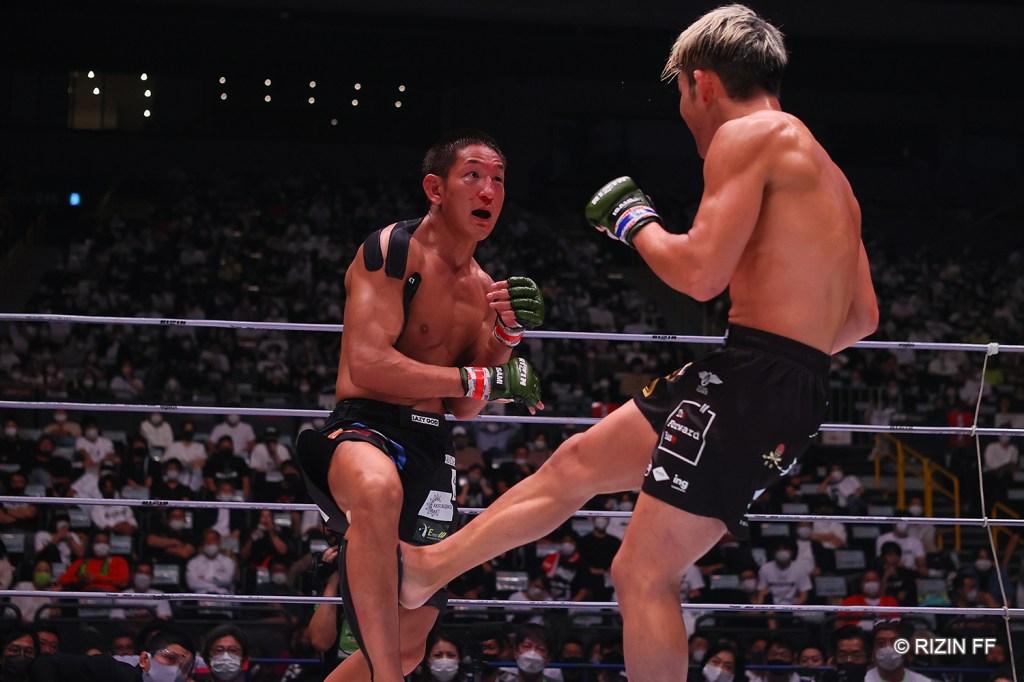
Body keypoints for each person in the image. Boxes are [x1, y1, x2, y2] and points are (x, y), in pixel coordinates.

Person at [397, 7, 878, 680]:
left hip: (754, 380)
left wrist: (635, 221)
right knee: (576, 466)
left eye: (681, 96)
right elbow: (860, 318)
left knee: (641, 573)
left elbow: (700, 274)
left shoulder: (751, 136)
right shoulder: (833, 177)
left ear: (700, 83)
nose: (686, 115)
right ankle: (425, 570)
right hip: (761, 375)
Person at [294, 129, 544, 682]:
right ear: (436, 187)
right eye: (473, 175)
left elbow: (464, 407)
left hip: (433, 446)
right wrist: (484, 374)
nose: (489, 190)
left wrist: (504, 337)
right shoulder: (391, 250)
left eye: (498, 179)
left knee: (409, 648)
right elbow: (368, 364)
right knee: (377, 492)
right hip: (366, 428)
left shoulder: (484, 286)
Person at [28, 628, 197, 682]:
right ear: (145, 659)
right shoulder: (110, 671)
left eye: (184, 667)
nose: (176, 670)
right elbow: (46, 663)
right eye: (170, 659)